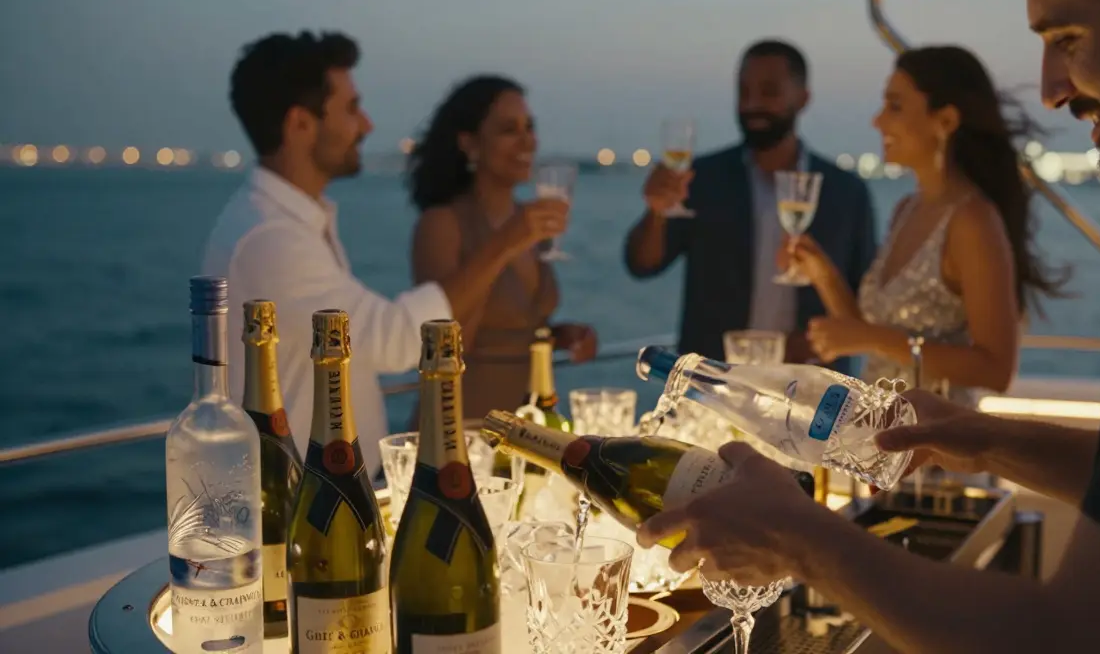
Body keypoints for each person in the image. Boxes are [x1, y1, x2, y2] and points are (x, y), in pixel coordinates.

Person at [637, 0, 1100, 650]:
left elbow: (1080, 638)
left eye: (1067, 36)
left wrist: (801, 542)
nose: (1050, 89)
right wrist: (985, 439)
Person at [205, 30, 457, 474]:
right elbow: (396, 340)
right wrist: (508, 240)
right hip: (297, 503)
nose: (367, 125)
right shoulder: (270, 239)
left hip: (324, 486)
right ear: (300, 123)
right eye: (352, 108)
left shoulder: (291, 222)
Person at [785, 46, 1069, 406]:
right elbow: (868, 335)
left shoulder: (972, 221)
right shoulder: (907, 209)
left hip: (939, 448)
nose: (878, 121)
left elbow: (996, 369)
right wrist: (822, 273)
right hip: (882, 443)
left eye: (895, 106)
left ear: (946, 121)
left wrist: (871, 338)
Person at [623, 39, 877, 372]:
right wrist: (656, 211)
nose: (752, 103)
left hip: (814, 391)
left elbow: (868, 305)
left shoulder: (845, 191)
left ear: (803, 98)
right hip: (713, 387)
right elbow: (642, 265)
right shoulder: (703, 179)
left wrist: (820, 342)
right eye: (744, 92)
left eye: (769, 91)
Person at [405, 75, 597, 421]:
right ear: (470, 144)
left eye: (530, 127)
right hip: (460, 429)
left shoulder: (527, 223)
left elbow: (513, 329)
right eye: (510, 130)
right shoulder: (442, 224)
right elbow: (448, 343)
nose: (528, 141)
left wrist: (558, 335)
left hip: (528, 429)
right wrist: (507, 242)